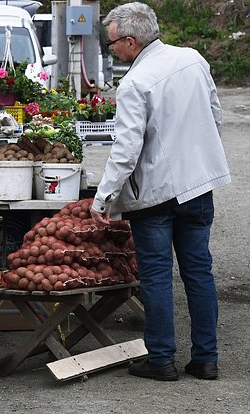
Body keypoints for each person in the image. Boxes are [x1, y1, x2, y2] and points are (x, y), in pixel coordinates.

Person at [90, 2, 230, 381]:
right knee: (200, 273)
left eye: (113, 43)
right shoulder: (193, 59)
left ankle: (161, 359)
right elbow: (215, 115)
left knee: (156, 277)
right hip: (198, 187)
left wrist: (103, 197)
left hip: (156, 195)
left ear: (131, 41)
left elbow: (126, 148)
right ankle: (206, 359)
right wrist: (198, 160)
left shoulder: (134, 82)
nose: (111, 49)